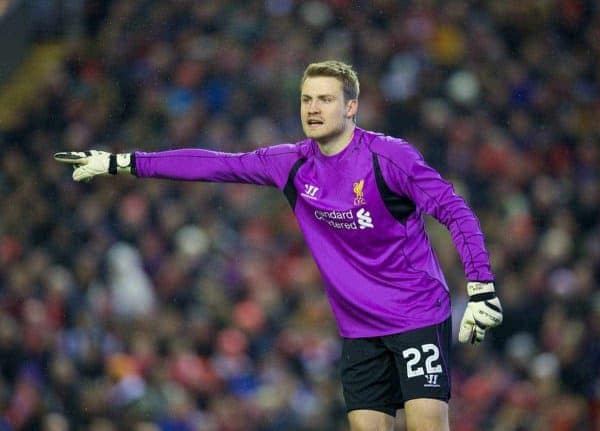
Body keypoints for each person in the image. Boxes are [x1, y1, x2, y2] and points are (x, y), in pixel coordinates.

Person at [55, 60, 503, 431]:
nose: (312, 108)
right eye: (306, 99)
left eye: (325, 99)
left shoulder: (390, 159)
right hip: (359, 328)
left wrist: (481, 286)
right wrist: (121, 162)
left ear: (352, 107)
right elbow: (214, 165)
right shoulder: (290, 164)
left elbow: (455, 211)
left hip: (415, 313)